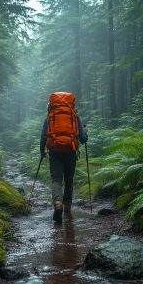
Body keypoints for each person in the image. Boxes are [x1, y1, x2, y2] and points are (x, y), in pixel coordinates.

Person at [40, 93, 88, 222]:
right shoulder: (74, 116)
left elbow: (44, 136)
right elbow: (83, 139)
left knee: (56, 179)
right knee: (69, 180)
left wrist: (42, 151)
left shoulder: (50, 117)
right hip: (70, 152)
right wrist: (86, 133)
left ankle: (57, 203)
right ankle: (67, 207)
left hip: (55, 152)